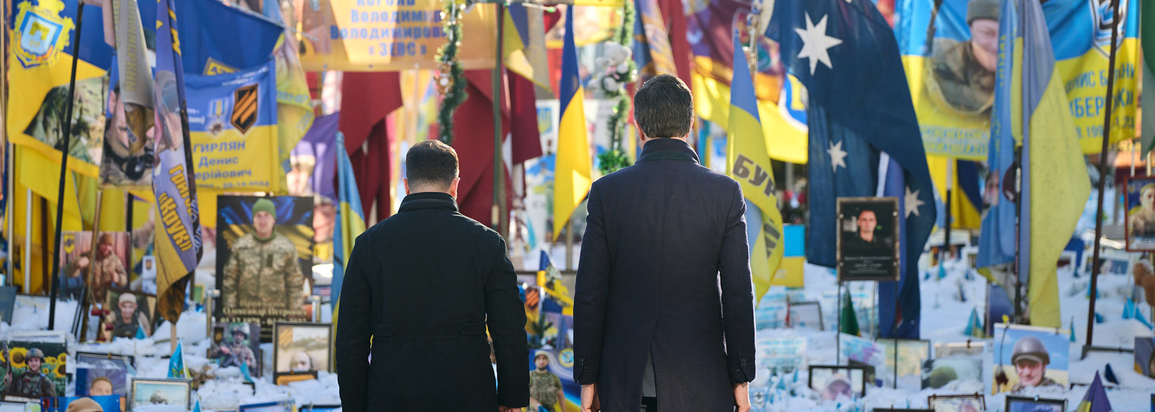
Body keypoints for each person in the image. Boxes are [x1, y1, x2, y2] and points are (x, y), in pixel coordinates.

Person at [573, 74, 756, 412]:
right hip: (700, 379)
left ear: (638, 126)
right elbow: (737, 294)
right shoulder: (725, 193)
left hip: (624, 379)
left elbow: (589, 293)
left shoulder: (607, 192)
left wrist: (587, 376)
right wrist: (741, 376)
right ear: (691, 124)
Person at [335, 140, 528, 411]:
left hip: (392, 396)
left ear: (406, 185)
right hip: (468, 395)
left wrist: (354, 406)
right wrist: (512, 398)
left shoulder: (370, 244)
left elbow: (350, 340)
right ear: (455, 186)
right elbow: (509, 331)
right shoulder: (487, 243)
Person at [222, 198, 306, 316]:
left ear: (274, 219)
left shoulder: (286, 246)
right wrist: (230, 309)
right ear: (253, 219)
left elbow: (294, 281)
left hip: (277, 313)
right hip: (246, 313)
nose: (262, 220)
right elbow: (230, 279)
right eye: (258, 216)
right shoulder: (240, 245)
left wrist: (294, 312)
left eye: (267, 215)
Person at [927, 0, 1000, 116]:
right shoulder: (940, 63)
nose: (997, 45)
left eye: (1007, 34)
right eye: (987, 33)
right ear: (971, 30)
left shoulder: (1027, 69)